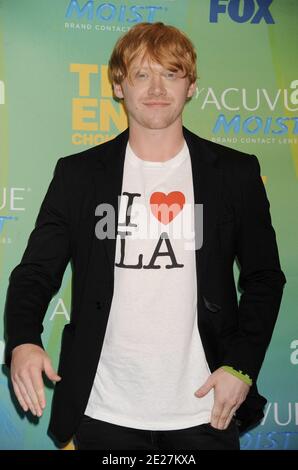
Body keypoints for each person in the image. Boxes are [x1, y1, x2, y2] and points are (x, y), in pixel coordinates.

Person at [4, 22, 286, 451]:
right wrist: (23, 339)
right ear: (119, 86)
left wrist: (241, 368)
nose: (156, 87)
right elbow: (35, 274)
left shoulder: (235, 173)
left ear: (191, 86)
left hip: (206, 409)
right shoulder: (78, 175)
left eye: (171, 74)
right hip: (103, 411)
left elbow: (265, 278)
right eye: (141, 74)